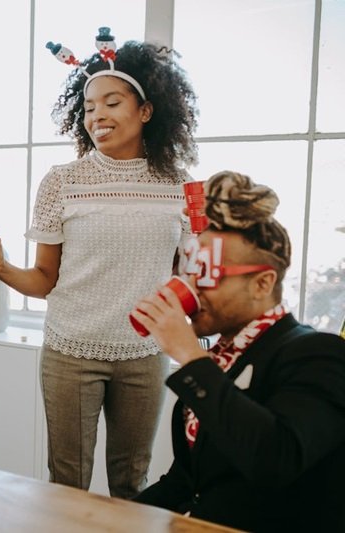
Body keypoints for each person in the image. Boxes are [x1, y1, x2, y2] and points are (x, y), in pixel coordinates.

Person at [0, 28, 199, 498]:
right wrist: (1, 266)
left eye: (112, 102)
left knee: (132, 484)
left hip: (145, 357)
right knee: (67, 486)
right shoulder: (62, 182)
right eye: (89, 107)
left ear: (146, 110)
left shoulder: (178, 186)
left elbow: (186, 278)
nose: (97, 116)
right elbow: (45, 280)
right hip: (70, 353)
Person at [133, 171, 345, 531]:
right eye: (190, 271)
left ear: (263, 283)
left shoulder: (319, 355)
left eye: (210, 273)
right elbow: (186, 483)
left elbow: (277, 459)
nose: (193, 288)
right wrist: (101, 514)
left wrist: (189, 356)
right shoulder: (218, 362)